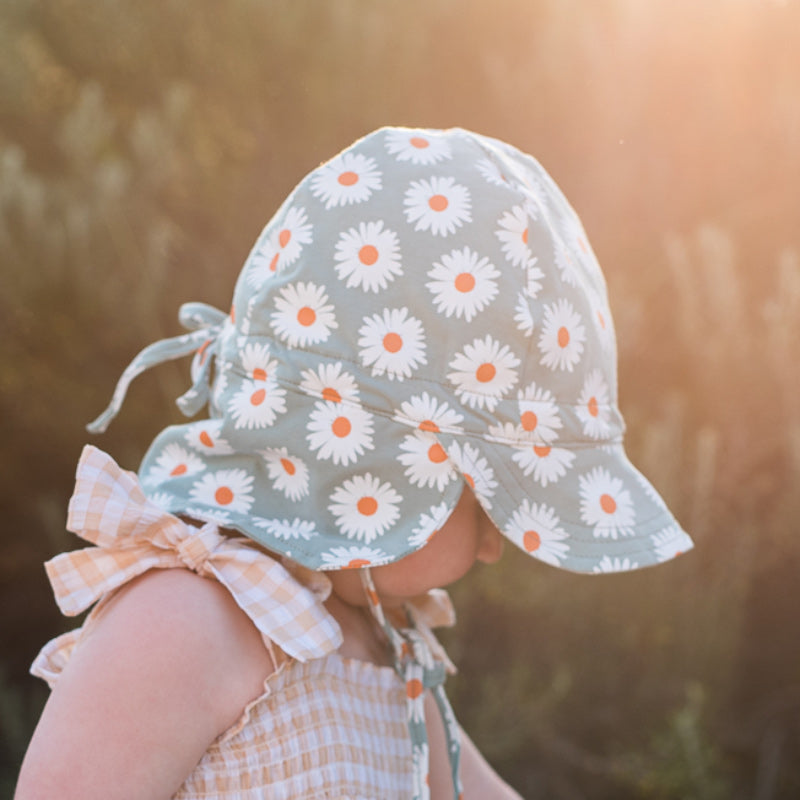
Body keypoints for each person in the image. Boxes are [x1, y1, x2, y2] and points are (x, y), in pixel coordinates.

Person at [15, 126, 694, 799]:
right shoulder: (184, 623)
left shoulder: (384, 643)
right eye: (489, 497)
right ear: (378, 467)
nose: (496, 543)